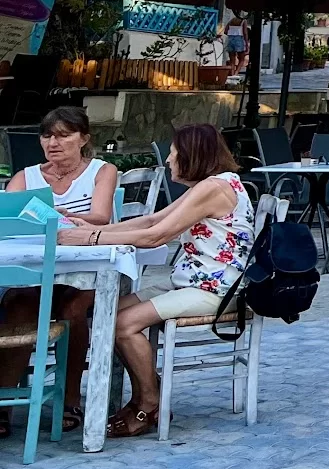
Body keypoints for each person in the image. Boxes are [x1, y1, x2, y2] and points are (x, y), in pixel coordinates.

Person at [52, 123, 253, 439]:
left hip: (215, 289)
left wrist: (88, 238)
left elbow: (157, 236)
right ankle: (149, 394)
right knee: (108, 314)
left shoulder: (214, 188)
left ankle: (149, 401)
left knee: (122, 323)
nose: (169, 161)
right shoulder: (209, 185)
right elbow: (151, 220)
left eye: (173, 154)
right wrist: (87, 230)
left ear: (191, 155)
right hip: (190, 281)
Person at [0, 106, 120, 437]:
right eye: (48, 135)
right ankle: (5, 402)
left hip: (84, 274)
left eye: (64, 135)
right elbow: (7, 220)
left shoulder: (101, 171)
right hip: (36, 272)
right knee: (17, 305)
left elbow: (101, 216)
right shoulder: (26, 176)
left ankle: (70, 397)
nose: (54, 143)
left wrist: (60, 215)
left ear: (84, 139)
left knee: (72, 309)